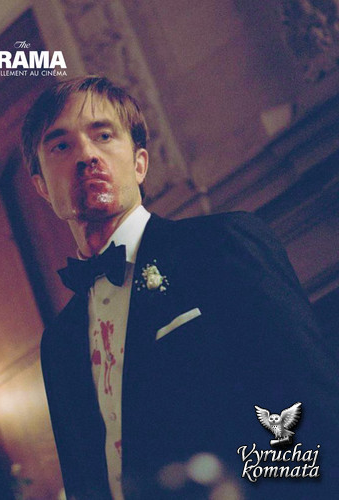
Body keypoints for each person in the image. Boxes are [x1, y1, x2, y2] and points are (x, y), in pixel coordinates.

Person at [22, 76, 339, 500]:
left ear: (140, 163)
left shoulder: (223, 245)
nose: (87, 155)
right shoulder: (58, 345)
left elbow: (313, 412)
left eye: (103, 135)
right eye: (61, 146)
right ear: (42, 186)